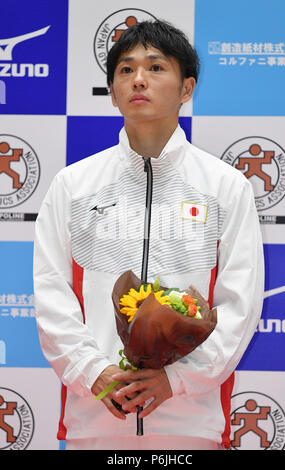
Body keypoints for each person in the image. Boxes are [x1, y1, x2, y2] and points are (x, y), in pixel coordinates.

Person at [33, 20, 264, 451]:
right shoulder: (73, 185)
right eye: (126, 70)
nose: (139, 79)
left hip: (191, 421)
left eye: (156, 67)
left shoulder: (225, 186)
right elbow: (52, 296)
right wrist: (94, 375)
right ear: (114, 90)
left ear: (186, 87)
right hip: (96, 416)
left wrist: (175, 380)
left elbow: (239, 305)